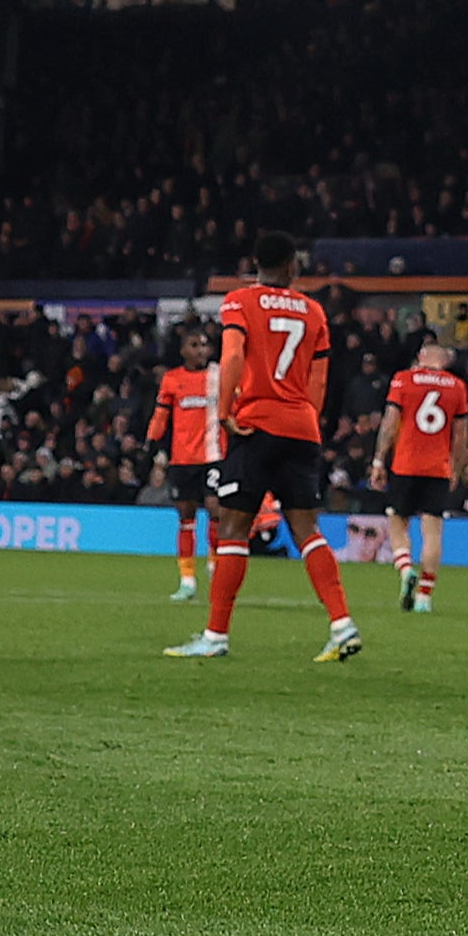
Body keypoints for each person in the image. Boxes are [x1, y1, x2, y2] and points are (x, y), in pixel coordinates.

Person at [167, 231, 360, 664]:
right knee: (307, 530)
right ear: (293, 266)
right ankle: (342, 623)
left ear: (255, 263)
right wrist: (304, 418)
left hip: (255, 426)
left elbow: (233, 356)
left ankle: (215, 636)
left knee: (234, 529)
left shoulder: (239, 302)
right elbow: (319, 380)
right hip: (301, 426)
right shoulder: (314, 312)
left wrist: (223, 411)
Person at [375, 341, 468, 613]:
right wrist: (457, 467)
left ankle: (406, 570)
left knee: (398, 525)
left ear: (421, 357)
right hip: (437, 468)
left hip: (405, 465)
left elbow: (390, 423)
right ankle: (424, 597)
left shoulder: (403, 380)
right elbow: (462, 435)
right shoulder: (457, 387)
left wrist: (379, 460)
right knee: (432, 532)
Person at [145, 328, 218, 603]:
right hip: (182, 458)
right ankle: (187, 580)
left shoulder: (219, 376)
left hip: (214, 456)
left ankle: (215, 569)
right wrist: (152, 443)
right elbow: (161, 415)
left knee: (216, 510)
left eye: (204, 344)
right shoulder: (172, 379)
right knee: (186, 518)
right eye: (194, 344)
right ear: (183, 350)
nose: (201, 349)